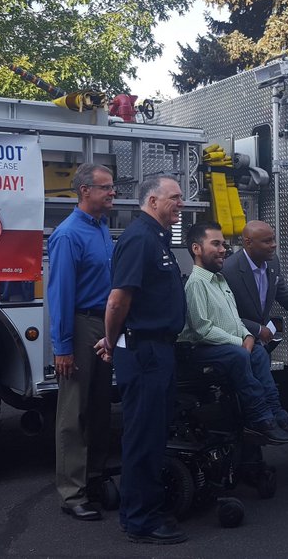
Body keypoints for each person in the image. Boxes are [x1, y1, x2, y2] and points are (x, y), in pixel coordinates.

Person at [95, 175, 188, 545]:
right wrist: (111, 338)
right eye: (175, 198)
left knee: (153, 432)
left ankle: (145, 508)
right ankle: (140, 521)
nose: (181, 203)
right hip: (144, 351)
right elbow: (118, 300)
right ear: (152, 201)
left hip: (157, 349)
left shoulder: (157, 238)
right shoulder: (139, 239)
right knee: (143, 436)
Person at [179, 221, 288, 444]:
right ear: (196, 249)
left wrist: (248, 335)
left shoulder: (220, 280)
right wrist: (240, 342)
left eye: (223, 244)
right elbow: (203, 329)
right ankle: (260, 420)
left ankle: (277, 413)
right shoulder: (196, 283)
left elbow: (234, 318)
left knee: (259, 354)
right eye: (216, 244)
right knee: (240, 355)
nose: (223, 249)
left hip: (227, 344)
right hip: (201, 349)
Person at [47, 163, 115, 522]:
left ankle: (95, 479)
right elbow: (59, 295)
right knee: (73, 414)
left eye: (112, 187)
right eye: (106, 188)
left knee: (101, 409)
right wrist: (63, 348)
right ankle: (72, 493)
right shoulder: (68, 234)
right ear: (85, 191)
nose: (112, 193)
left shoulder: (102, 227)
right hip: (82, 323)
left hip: (104, 325)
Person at [222, 219, 288, 434]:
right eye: (266, 241)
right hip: (236, 333)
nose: (273, 245)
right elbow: (226, 313)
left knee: (264, 354)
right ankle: (274, 417)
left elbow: (284, 294)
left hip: (258, 334)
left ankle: (276, 417)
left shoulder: (272, 262)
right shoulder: (229, 270)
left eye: (273, 239)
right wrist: (256, 329)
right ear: (248, 242)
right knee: (258, 359)